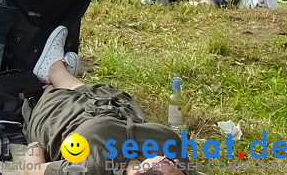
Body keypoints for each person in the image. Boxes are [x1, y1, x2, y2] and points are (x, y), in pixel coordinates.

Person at [24, 25, 188, 175]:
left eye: (170, 164)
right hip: (113, 105)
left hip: (59, 116)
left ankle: (52, 72)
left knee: (51, 93)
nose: (176, 162)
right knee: (92, 92)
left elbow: (34, 170)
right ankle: (56, 72)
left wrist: (35, 148)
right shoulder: (169, 147)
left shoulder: (90, 168)